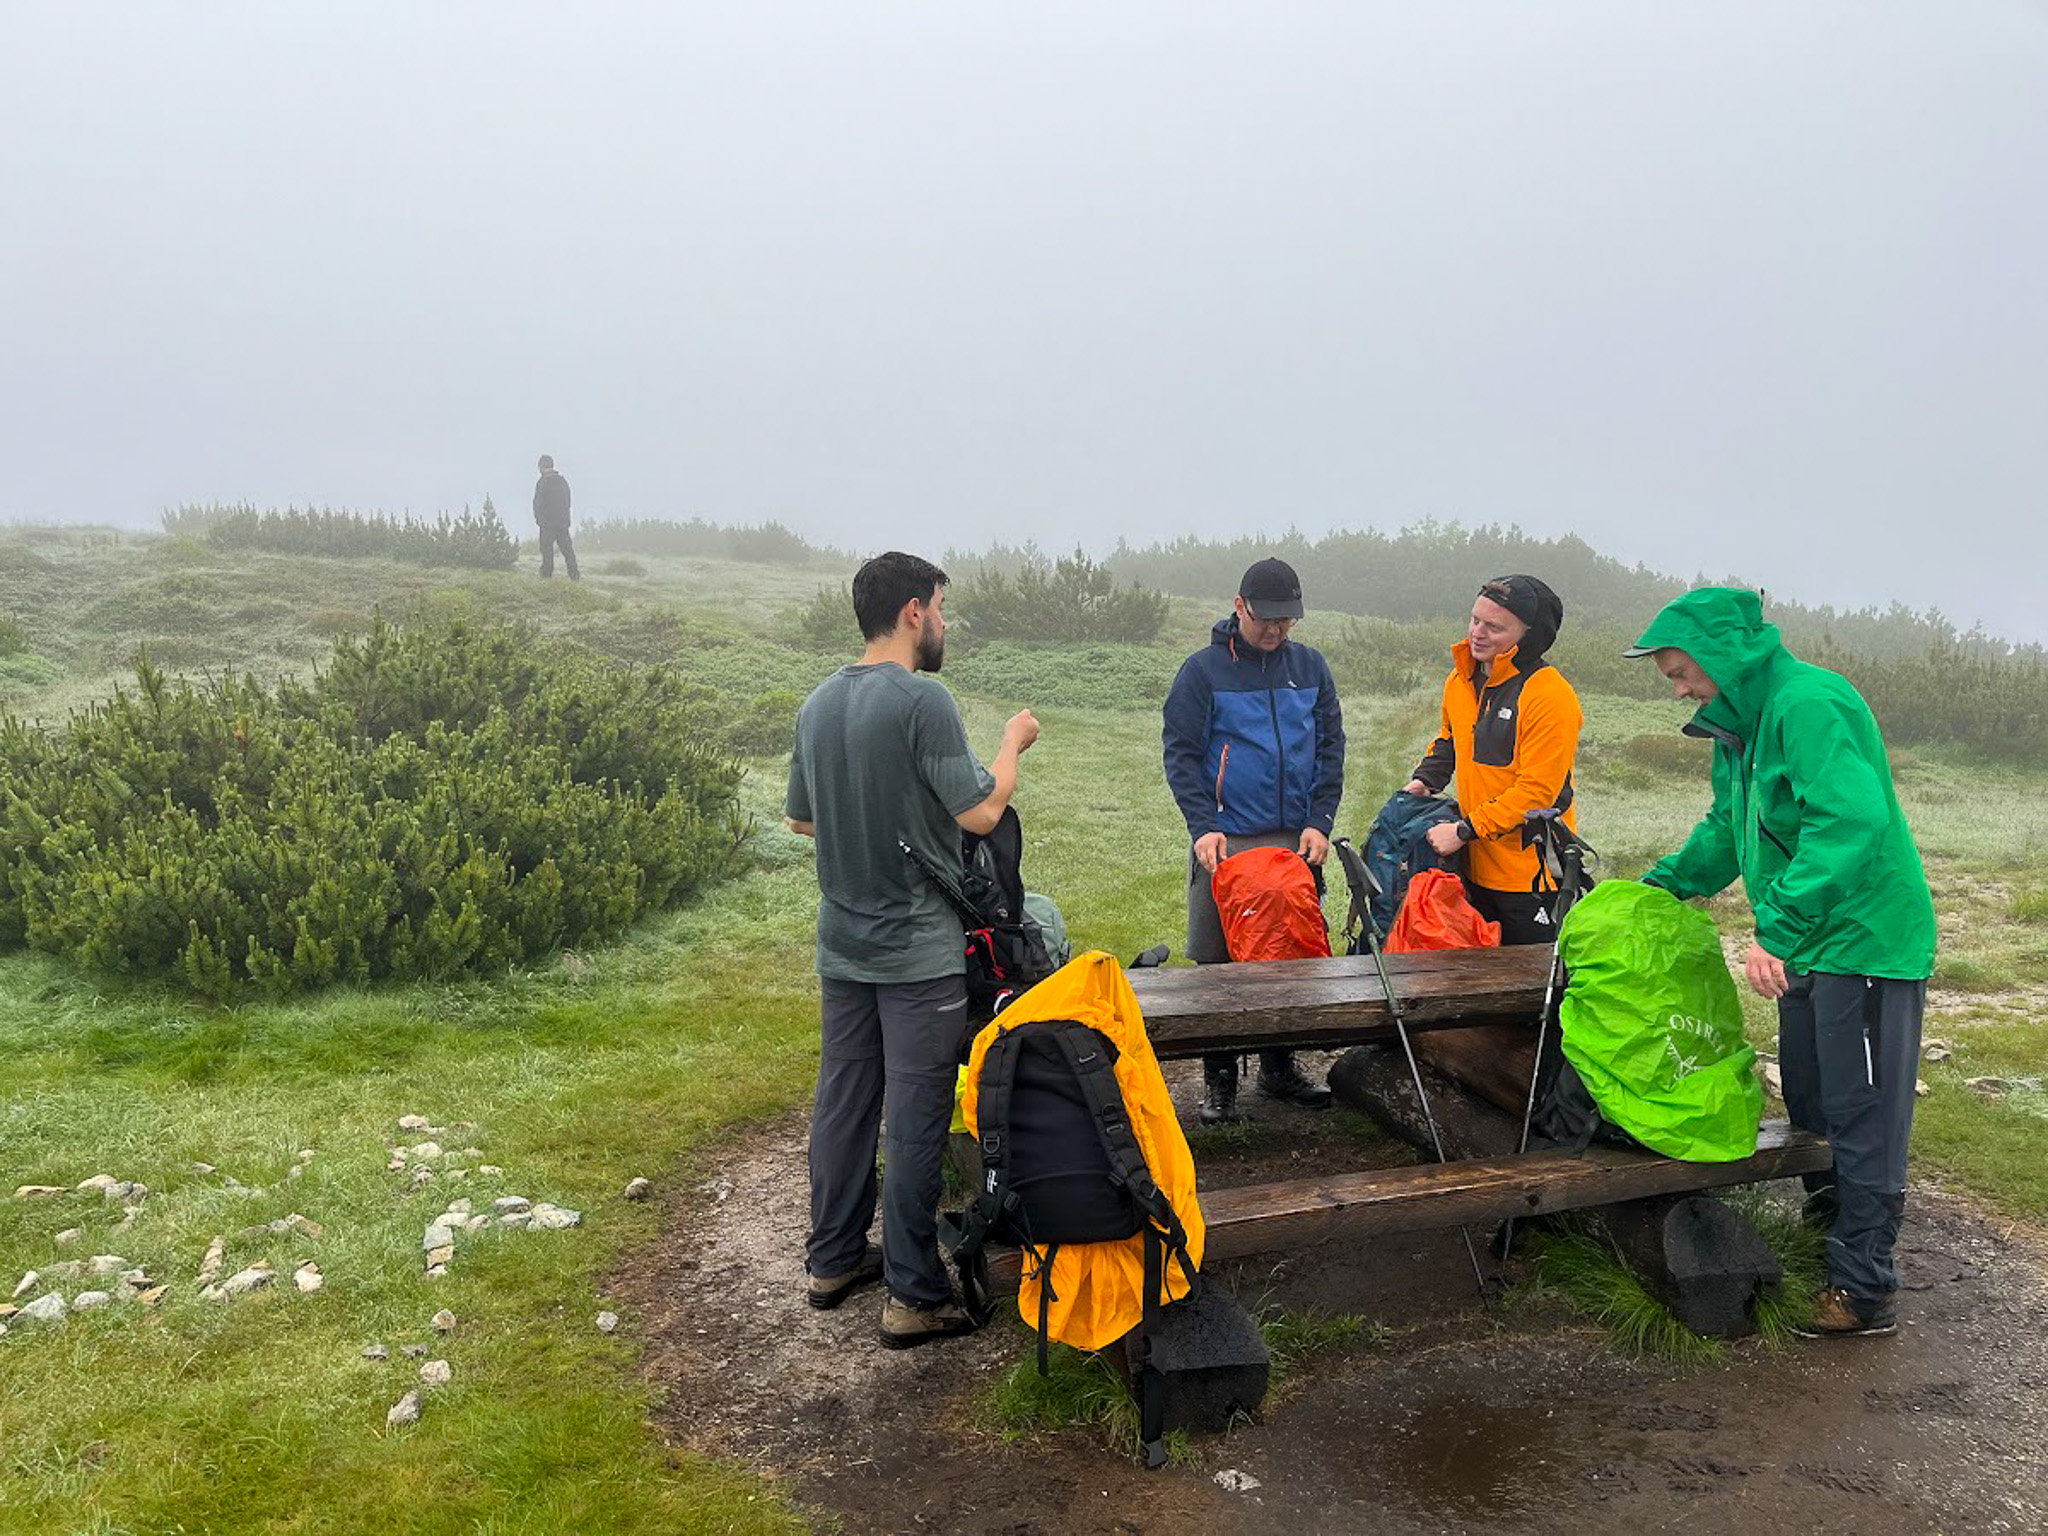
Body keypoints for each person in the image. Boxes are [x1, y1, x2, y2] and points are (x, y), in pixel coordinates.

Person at [1628, 586, 1935, 1339]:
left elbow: (1850, 821)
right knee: (1812, 1098)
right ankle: (1830, 1234)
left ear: (1723, 658)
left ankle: (1865, 1288)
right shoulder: (1741, 731)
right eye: (1671, 677)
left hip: (1865, 942)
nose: (1680, 688)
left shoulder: (1807, 705)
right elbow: (1728, 830)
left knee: (1863, 1117)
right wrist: (1661, 888)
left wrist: (1778, 929)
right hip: (1813, 943)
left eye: (1682, 671)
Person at [784, 551, 1040, 1348]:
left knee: (845, 1099)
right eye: (939, 608)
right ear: (912, 613)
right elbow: (981, 814)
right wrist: (1013, 743)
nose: (943, 623)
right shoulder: (923, 699)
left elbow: (802, 820)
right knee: (918, 1113)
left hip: (842, 945)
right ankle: (912, 1296)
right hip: (917, 955)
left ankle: (830, 1261)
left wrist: (871, 822)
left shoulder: (819, 703)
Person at [1163, 556, 1344, 1123]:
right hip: (1227, 839)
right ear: (1239, 605)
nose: (1276, 630)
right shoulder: (1202, 672)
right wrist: (1203, 825)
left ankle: (1277, 1067)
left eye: (1287, 621)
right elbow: (1183, 755)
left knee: (1285, 958)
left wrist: (1319, 821)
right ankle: (1219, 1079)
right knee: (1219, 966)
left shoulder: (1311, 668)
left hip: (1295, 839)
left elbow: (1329, 751)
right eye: (1266, 618)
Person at [1403, 576, 1581, 945]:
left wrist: (1463, 830)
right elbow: (1452, 739)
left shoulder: (1549, 695)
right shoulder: (1461, 678)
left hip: (1533, 877)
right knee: (1478, 987)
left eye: (1494, 627)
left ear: (1529, 636)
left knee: (1537, 992)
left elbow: (1537, 794)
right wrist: (1425, 779)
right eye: (1475, 620)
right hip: (1471, 869)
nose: (1477, 633)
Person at [532, 454, 578, 580]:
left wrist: (538, 519)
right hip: (562, 523)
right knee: (567, 550)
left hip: (547, 523)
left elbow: (537, 503)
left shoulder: (542, 483)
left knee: (547, 551)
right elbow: (568, 500)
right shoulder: (562, 481)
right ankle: (574, 575)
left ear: (541, 467)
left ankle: (546, 575)